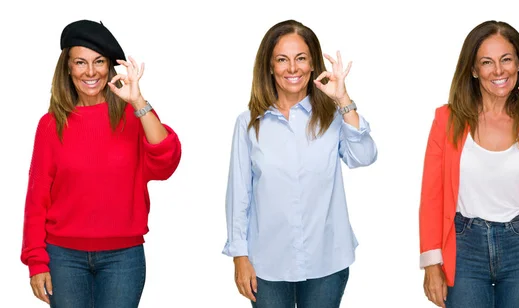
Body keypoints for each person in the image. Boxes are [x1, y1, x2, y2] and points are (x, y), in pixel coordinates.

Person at [20, 19, 182, 307]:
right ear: (67, 68)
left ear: (109, 66)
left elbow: (166, 161)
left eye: (99, 62)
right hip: (63, 257)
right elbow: (37, 198)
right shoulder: (50, 125)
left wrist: (138, 101)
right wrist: (36, 262)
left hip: (123, 257)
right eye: (80, 62)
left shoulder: (134, 117)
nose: (91, 71)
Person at [419, 20, 519, 308]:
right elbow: (431, 196)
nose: (498, 70)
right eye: (487, 62)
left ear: (518, 63)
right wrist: (431, 264)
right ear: (473, 70)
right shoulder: (447, 120)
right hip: (464, 246)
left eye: (506, 59)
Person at [222, 19, 377, 308]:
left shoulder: (333, 116)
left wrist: (343, 98)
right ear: (270, 66)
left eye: (301, 58)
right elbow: (238, 195)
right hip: (266, 263)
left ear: (313, 64)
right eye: (282, 59)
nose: (292, 68)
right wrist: (239, 255)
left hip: (326, 258)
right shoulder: (248, 124)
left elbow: (364, 156)